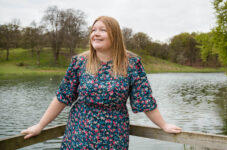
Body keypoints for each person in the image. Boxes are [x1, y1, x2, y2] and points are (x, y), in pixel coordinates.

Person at [21, 16, 182, 149]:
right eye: (93, 30)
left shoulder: (132, 64)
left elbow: (145, 101)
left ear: (115, 35)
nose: (95, 34)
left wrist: (164, 125)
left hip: (114, 135)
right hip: (79, 133)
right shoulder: (80, 62)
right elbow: (62, 97)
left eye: (102, 30)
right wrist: (40, 126)